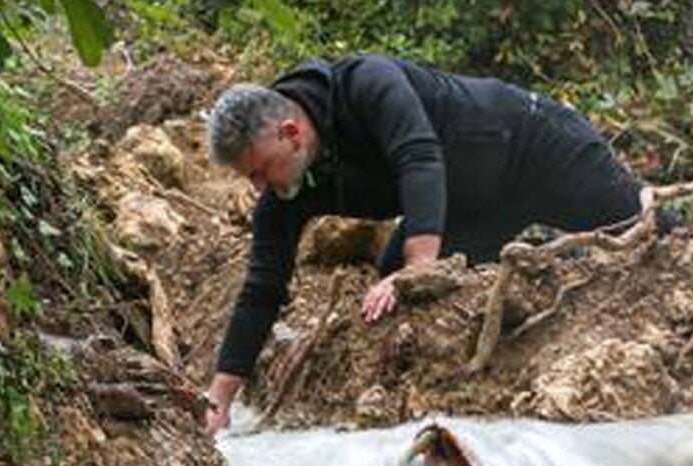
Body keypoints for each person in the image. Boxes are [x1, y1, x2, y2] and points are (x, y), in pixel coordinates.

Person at [203, 53, 654, 432]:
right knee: (393, 295)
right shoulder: (287, 187)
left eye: (260, 170)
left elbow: (417, 156)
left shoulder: (365, 83)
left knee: (650, 232)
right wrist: (219, 402)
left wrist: (418, 271)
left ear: (291, 133)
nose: (258, 187)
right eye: (250, 177)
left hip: (536, 146)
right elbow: (262, 287)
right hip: (472, 206)